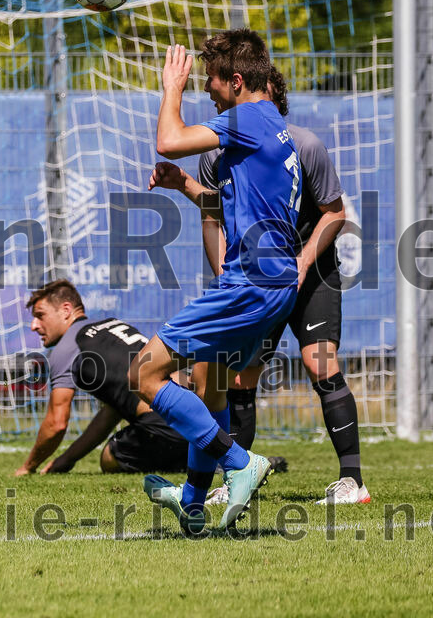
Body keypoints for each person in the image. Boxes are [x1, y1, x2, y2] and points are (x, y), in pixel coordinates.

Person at [132, 30, 302, 534]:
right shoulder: (270, 126)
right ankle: (192, 503)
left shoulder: (248, 119)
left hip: (250, 284)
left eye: (210, 78)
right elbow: (231, 208)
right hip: (271, 286)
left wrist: (172, 88)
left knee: (143, 374)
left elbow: (169, 140)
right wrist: (185, 184)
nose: (205, 87)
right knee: (211, 390)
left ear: (237, 80)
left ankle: (239, 462)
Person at [194, 66, 368, 506]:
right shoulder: (214, 155)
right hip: (256, 278)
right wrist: (225, 276)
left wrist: (303, 261)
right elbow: (212, 219)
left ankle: (352, 482)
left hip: (313, 273)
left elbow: (335, 213)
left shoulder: (304, 145)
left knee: (319, 363)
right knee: (239, 374)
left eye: (264, 97)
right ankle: (236, 479)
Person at [15, 280, 188, 477]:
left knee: (110, 457)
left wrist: (28, 467)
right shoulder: (114, 326)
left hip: (164, 425)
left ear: (66, 310)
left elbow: (57, 424)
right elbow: (112, 412)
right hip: (198, 411)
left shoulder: (67, 348)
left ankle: (186, 461)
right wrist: (67, 459)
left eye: (40, 315)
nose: (34, 326)